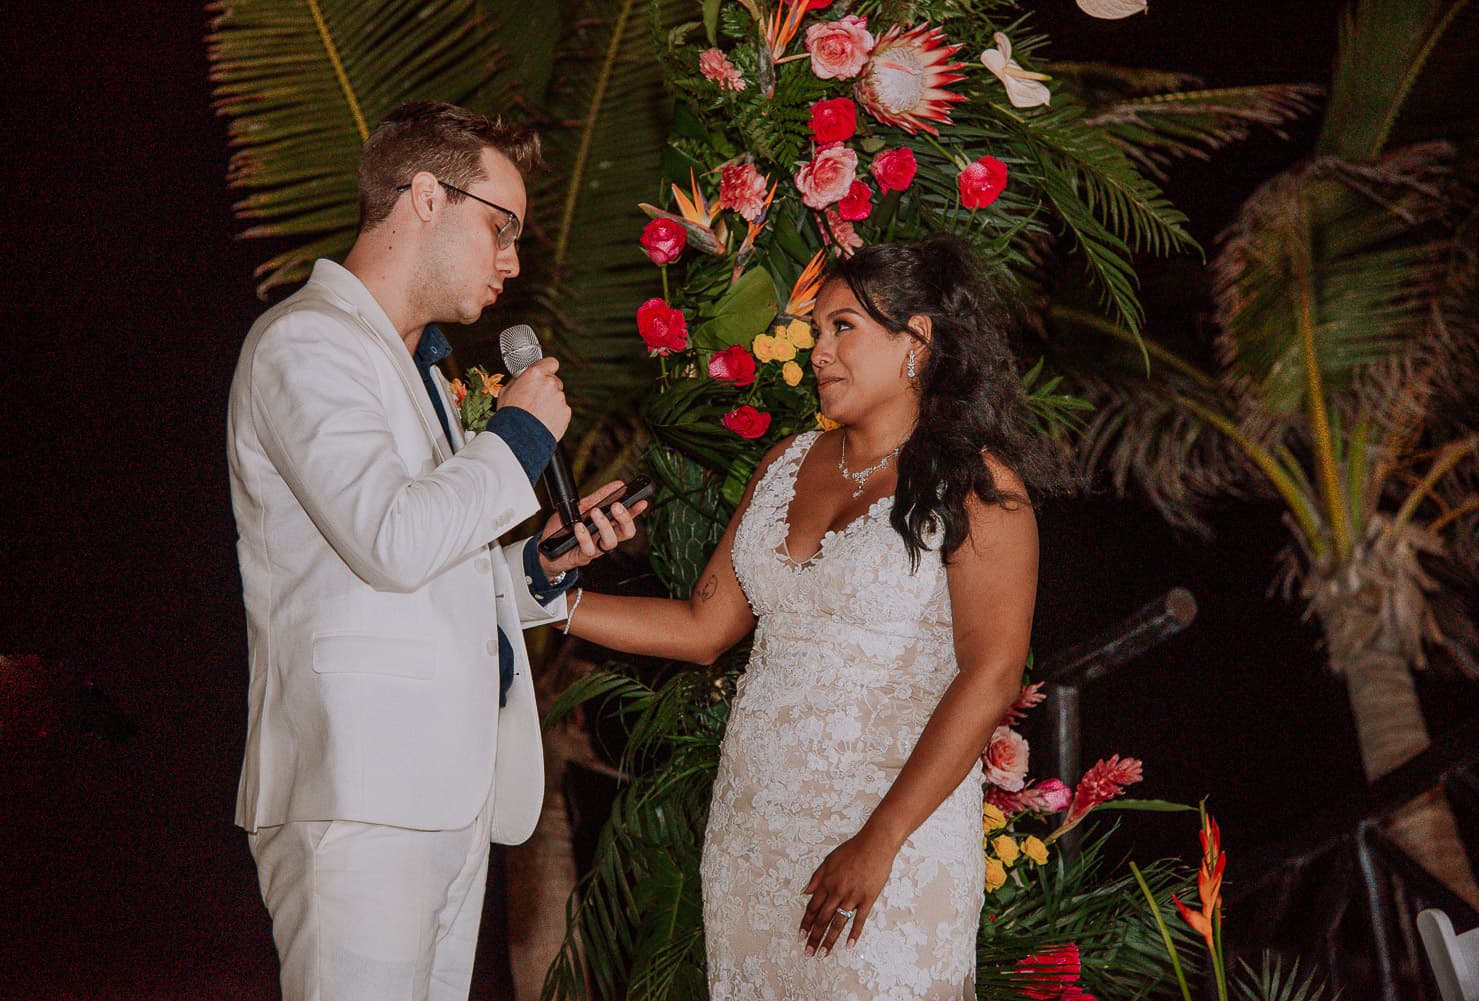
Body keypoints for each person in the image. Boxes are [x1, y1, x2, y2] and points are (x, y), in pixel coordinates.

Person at [560, 234, 1068, 999]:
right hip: (753, 836)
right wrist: (549, 603)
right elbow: (703, 628)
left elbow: (992, 672)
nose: (819, 350)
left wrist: (881, 836)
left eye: (843, 328)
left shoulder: (976, 486)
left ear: (917, 341)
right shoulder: (788, 462)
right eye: (815, 328)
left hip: (888, 835)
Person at [226, 100, 642, 1001]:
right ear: (423, 195)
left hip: (452, 793)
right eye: (501, 227)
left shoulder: (427, 376)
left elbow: (429, 556)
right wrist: (521, 438)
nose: (514, 261)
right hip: (361, 793)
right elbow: (390, 537)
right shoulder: (305, 343)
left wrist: (537, 568)